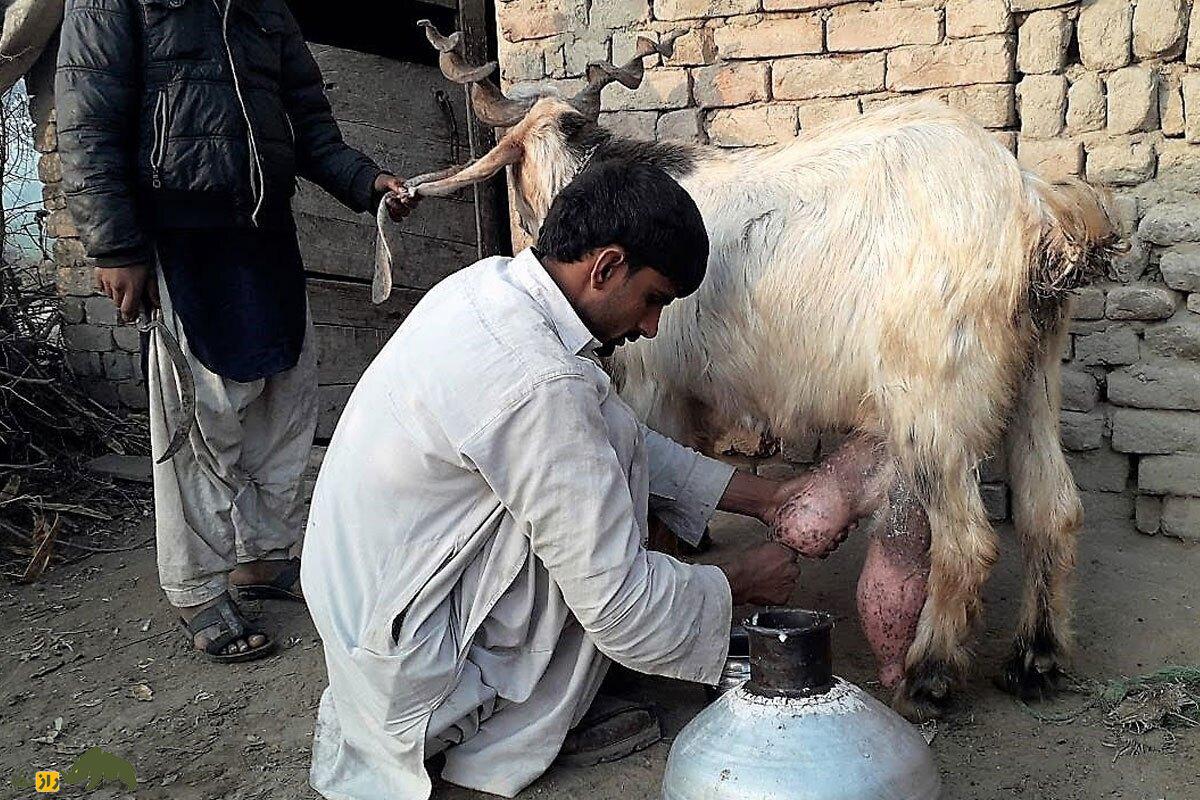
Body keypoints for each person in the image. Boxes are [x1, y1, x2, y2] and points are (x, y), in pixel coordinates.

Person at [302, 160, 858, 799]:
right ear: (606, 268)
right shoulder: (538, 381)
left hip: (374, 611)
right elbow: (623, 608)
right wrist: (738, 582)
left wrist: (769, 497)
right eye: (653, 300)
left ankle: (550, 681)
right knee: (603, 566)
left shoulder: (491, 290)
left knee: (596, 494)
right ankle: (499, 729)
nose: (651, 327)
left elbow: (616, 437)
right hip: (415, 667)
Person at [54, 0, 417, 662]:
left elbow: (310, 124)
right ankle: (195, 584)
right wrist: (113, 247)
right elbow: (87, 122)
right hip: (180, 229)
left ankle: (263, 555)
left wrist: (365, 181)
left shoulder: (265, 7)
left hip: (263, 226)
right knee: (201, 413)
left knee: (284, 393)